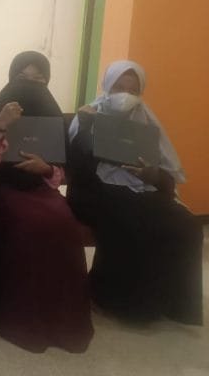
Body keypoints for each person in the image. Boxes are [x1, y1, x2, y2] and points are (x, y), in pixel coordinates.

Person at [67, 61, 202, 326]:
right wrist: (85, 127)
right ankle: (118, 300)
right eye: (118, 88)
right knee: (134, 220)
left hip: (141, 189)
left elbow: (166, 176)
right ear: (107, 86)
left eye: (132, 90)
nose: (125, 95)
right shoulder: (89, 114)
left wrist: (152, 175)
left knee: (186, 225)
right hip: (94, 189)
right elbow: (76, 169)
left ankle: (172, 302)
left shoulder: (147, 119)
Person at [0, 51, 93, 352]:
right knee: (31, 226)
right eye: (22, 79)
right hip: (0, 189)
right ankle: (21, 319)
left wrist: (45, 169)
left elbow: (61, 171)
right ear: (11, 79)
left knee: (64, 224)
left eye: (38, 80)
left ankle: (64, 320)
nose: (30, 86)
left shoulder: (53, 116)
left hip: (40, 190)